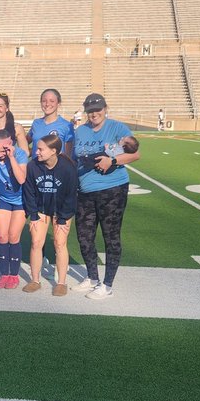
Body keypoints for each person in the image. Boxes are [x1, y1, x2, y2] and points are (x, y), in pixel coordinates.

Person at [73, 93, 140, 300]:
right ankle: (93, 278)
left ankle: (107, 284)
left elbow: (135, 153)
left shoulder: (117, 127)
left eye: (98, 109)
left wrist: (112, 161)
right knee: (84, 237)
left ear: (105, 108)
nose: (94, 113)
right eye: (91, 110)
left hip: (113, 189)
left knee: (111, 236)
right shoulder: (80, 130)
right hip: (85, 191)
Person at [22, 134, 76, 297]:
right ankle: (35, 280)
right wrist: (34, 215)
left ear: (54, 151)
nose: (36, 152)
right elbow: (29, 192)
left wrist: (62, 218)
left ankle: (61, 283)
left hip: (62, 210)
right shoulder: (33, 166)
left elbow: (71, 195)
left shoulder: (67, 167)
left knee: (60, 243)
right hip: (41, 209)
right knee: (36, 242)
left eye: (40, 149)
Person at [0, 128, 28, 289]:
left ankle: (14, 275)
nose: (0, 153)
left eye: (3, 149)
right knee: (2, 237)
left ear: (10, 144)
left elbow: (21, 179)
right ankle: (4, 274)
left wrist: (11, 158)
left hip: (20, 200)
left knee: (13, 236)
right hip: (3, 199)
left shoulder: (20, 154)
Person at [29, 88, 75, 161]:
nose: (47, 104)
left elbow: (68, 154)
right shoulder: (36, 123)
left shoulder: (66, 125)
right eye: (44, 101)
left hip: (57, 169)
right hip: (37, 169)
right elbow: (25, 142)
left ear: (58, 103)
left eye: (52, 101)